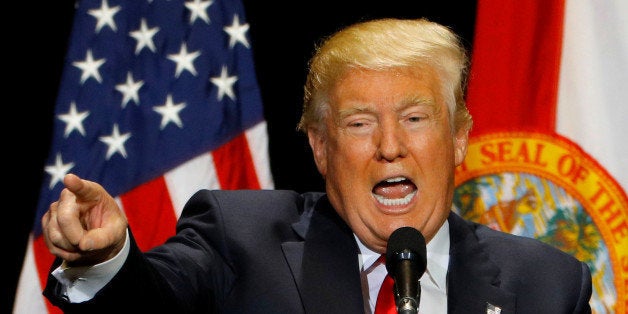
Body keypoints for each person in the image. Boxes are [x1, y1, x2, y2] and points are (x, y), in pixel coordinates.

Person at [42, 18, 592, 313]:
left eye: (416, 118)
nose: (390, 146)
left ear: (459, 140)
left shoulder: (547, 285)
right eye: (358, 123)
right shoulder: (241, 239)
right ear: (321, 148)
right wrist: (110, 256)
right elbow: (153, 300)